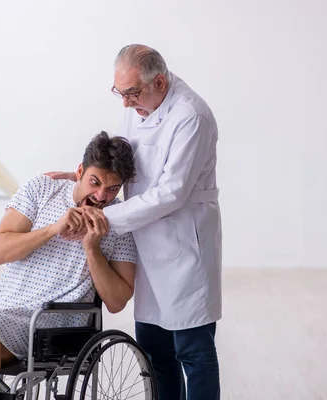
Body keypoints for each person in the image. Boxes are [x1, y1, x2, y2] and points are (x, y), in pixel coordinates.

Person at [49, 44, 222, 400]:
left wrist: (101, 216)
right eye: (120, 93)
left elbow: (171, 193)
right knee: (155, 350)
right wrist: (83, 178)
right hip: (143, 242)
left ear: (159, 82)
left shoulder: (191, 116)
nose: (125, 103)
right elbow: (122, 163)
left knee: (193, 351)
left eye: (131, 93)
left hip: (183, 245)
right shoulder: (136, 107)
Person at [0, 131, 138, 400]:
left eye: (112, 189)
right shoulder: (42, 188)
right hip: (8, 309)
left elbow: (117, 301)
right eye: (94, 182)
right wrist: (53, 229)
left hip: (57, 325)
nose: (101, 196)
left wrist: (92, 247)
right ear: (79, 171)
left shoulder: (120, 221)